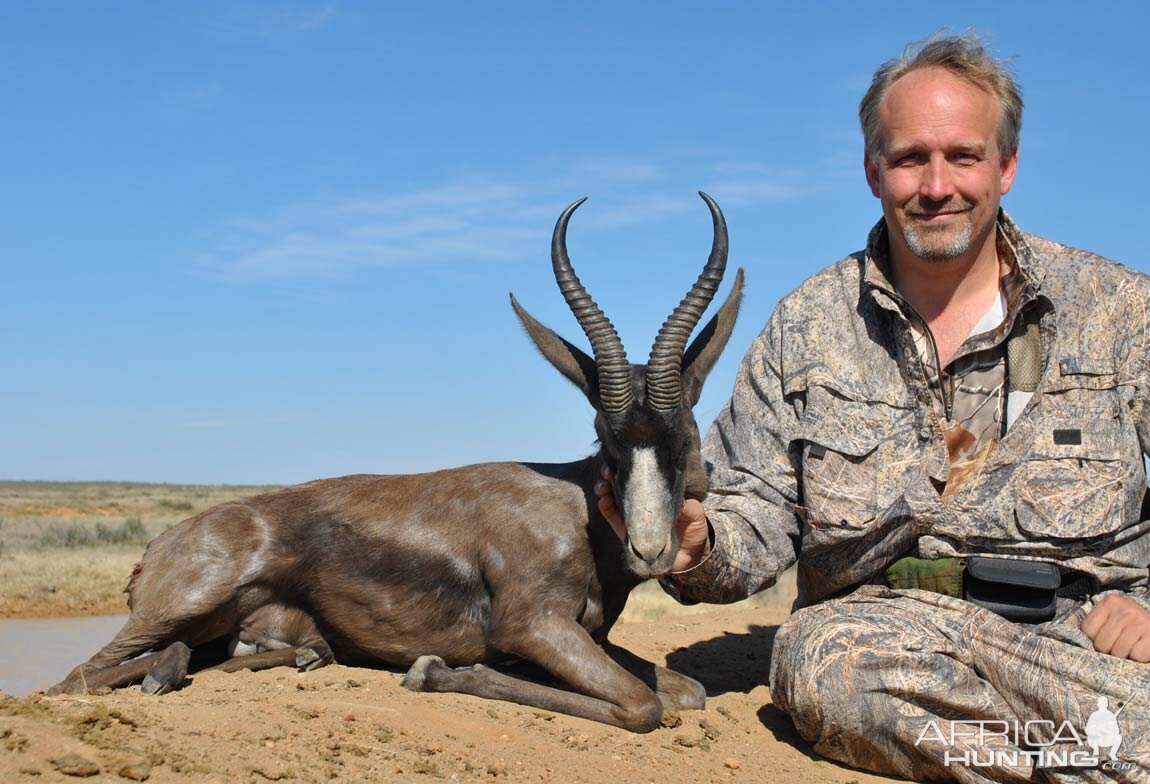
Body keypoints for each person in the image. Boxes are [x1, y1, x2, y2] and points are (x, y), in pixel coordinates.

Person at [597, 34, 1150, 782]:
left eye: (963, 156)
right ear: (872, 171)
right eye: (910, 158)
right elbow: (753, 512)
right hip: (882, 638)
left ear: (1006, 167)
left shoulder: (1120, 311)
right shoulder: (808, 325)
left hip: (1085, 638)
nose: (936, 185)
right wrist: (700, 545)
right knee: (826, 669)